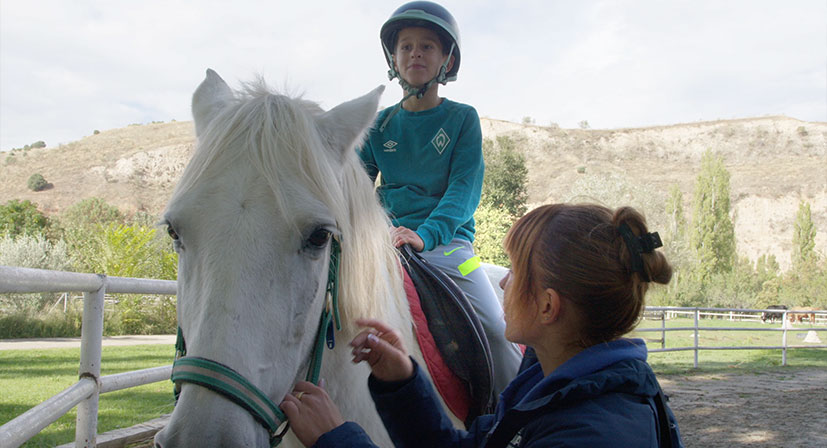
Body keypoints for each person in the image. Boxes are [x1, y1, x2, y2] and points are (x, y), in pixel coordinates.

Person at [280, 203, 684, 447]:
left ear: (548, 306)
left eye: (516, 271)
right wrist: (402, 382)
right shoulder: (547, 389)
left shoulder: (592, 434)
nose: (503, 282)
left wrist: (336, 441)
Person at [358, 0, 522, 397]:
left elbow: (463, 192)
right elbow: (356, 189)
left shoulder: (462, 119)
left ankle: (519, 416)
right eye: (406, 46)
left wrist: (425, 235)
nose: (415, 53)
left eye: (427, 46)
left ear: (446, 60)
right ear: (393, 58)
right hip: (386, 243)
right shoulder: (379, 125)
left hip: (449, 247)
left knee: (496, 331)